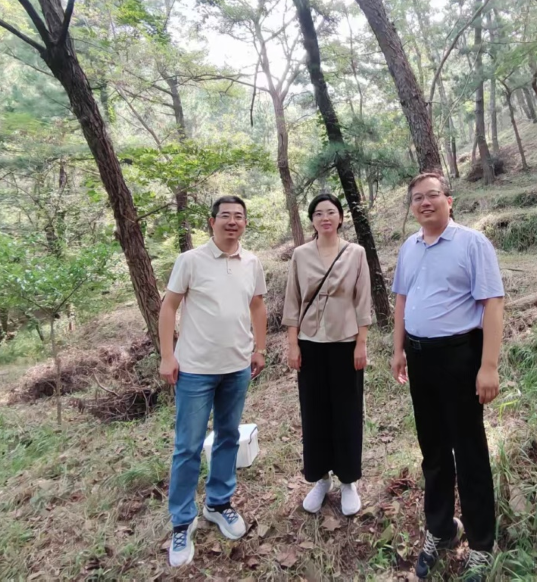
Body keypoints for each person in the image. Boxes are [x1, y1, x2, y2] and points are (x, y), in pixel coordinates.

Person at [391, 172, 505, 582]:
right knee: (433, 451)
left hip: (460, 357)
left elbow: (493, 304)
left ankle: (481, 544)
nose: (425, 203)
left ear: (449, 200)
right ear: (412, 206)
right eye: (417, 198)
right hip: (420, 358)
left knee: (469, 451)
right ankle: (441, 529)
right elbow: (402, 298)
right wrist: (398, 349)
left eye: (433, 195)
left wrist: (488, 365)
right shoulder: (409, 247)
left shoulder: (472, 243)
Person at [159, 195, 268, 568]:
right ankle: (182, 521)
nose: (232, 221)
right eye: (225, 216)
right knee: (187, 447)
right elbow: (169, 306)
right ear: (212, 222)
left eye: (239, 216)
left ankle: (218, 503)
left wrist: (259, 348)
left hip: (236, 367)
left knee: (227, 437)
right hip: (194, 370)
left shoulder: (252, 262)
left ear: (245, 223)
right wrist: (168, 356)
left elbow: (257, 306)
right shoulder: (190, 260)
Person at [282, 193, 372, 517]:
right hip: (310, 343)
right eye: (318, 213)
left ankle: (348, 481)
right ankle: (320, 478)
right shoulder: (300, 255)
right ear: (312, 220)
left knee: (347, 411)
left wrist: (361, 343)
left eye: (330, 212)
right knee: (314, 412)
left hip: (346, 341)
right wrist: (293, 345)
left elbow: (363, 300)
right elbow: (293, 301)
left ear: (340, 217)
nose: (325, 218)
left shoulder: (356, 253)